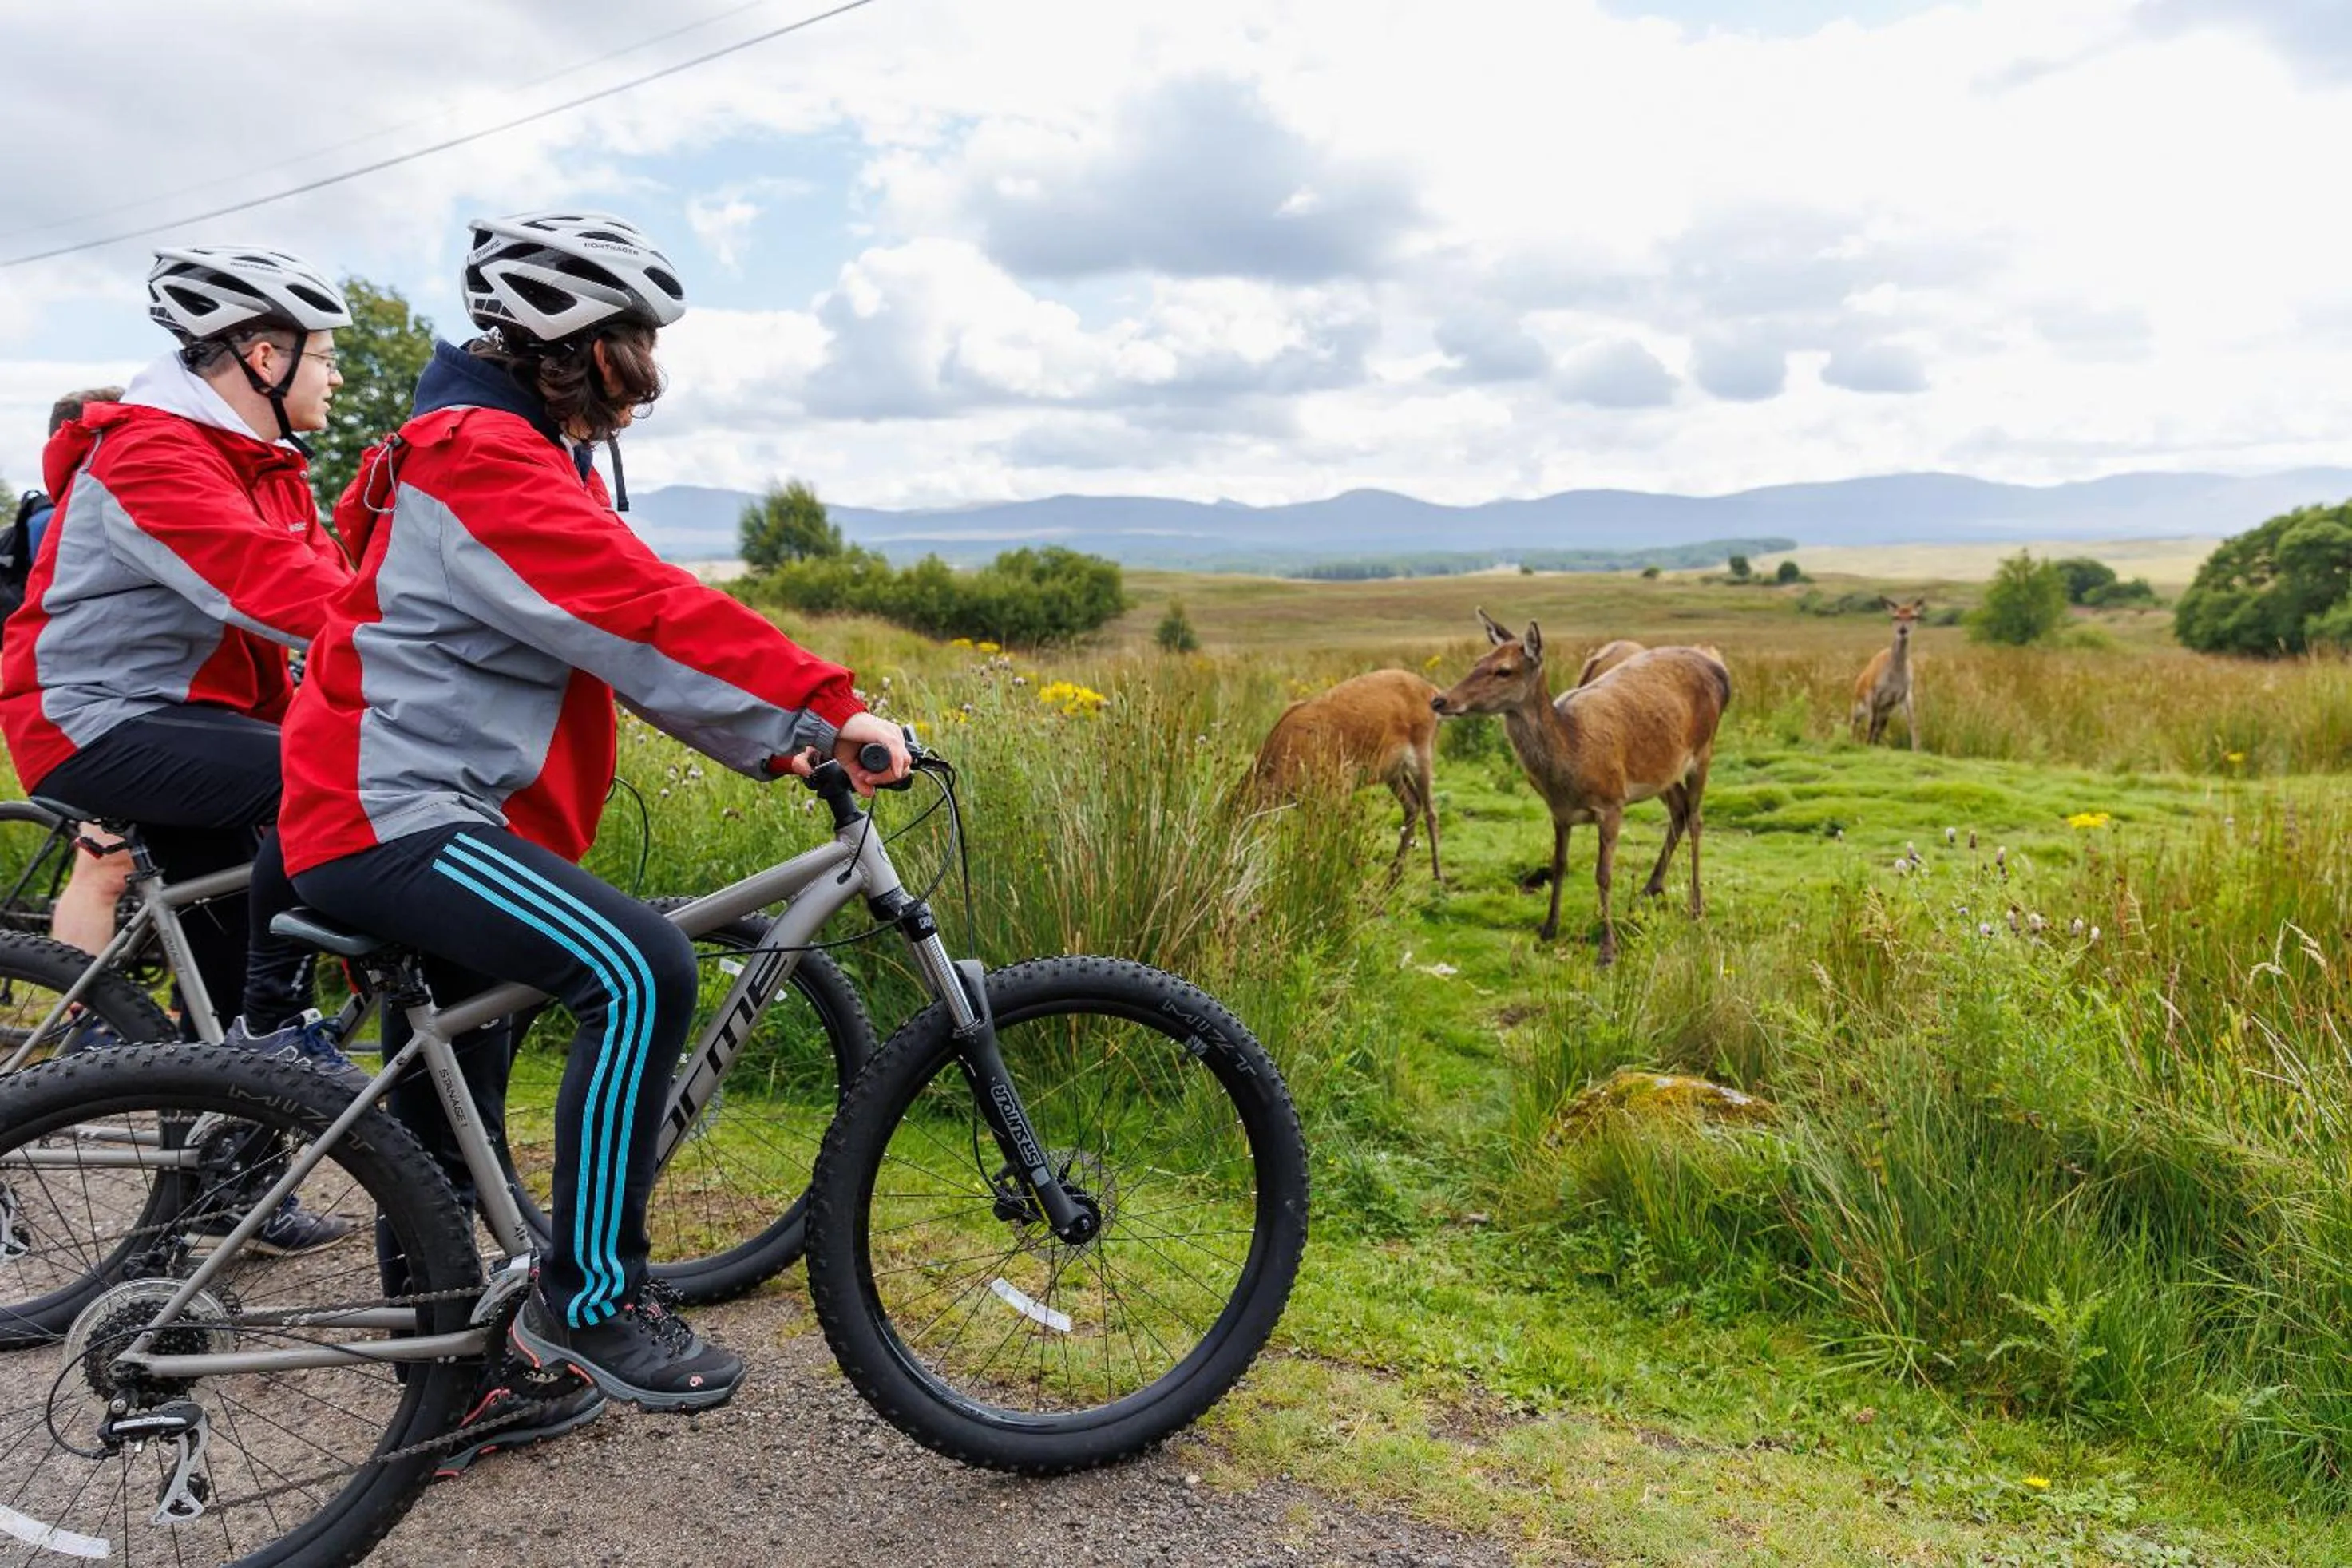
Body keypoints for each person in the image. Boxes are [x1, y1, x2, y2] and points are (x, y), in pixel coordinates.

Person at [275, 210, 908, 1451]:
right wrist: (822, 708)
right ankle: (592, 1304)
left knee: (453, 1108)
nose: (647, 376)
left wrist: (777, 732)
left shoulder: (496, 451)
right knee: (637, 966)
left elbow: (605, 629)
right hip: (389, 813)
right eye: (631, 343)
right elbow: (635, 606)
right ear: (567, 344)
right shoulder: (478, 457)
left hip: (406, 805)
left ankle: (458, 1375)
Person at [0, 248, 358, 1253]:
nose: (334, 374)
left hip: (191, 723)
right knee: (323, 778)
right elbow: (267, 585)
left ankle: (231, 1191)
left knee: (234, 944)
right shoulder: (153, 453)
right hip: (94, 718)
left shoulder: (267, 466)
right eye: (323, 356)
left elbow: (328, 580)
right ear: (261, 355)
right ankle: (274, 1037)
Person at [14, 389, 135, 956]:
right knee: (104, 868)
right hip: (94, 706)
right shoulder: (62, 517)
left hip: (118, 698)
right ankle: (83, 1023)